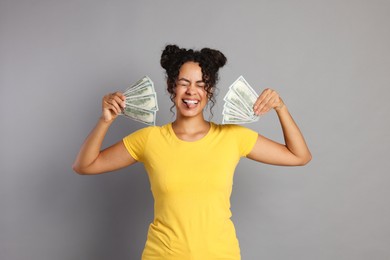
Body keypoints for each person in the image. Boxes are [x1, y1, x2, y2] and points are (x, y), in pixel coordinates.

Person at [73, 44, 312, 260]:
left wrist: (280, 107)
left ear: (209, 91)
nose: (191, 91)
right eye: (184, 83)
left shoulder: (233, 137)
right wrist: (105, 121)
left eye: (200, 84)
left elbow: (299, 156)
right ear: (171, 87)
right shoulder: (149, 139)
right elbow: (84, 165)